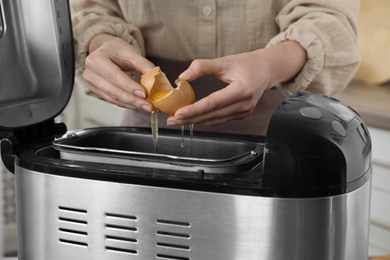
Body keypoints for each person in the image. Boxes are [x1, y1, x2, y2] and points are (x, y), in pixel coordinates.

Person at [70, 0, 360, 135]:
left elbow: (330, 16)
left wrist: (269, 65)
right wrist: (99, 40)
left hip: (277, 128)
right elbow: (89, 8)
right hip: (148, 129)